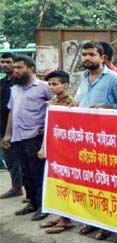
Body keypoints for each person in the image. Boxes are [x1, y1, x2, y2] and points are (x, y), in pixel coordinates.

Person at [74, 41, 117, 240]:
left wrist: (103, 108)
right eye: (84, 54)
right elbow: (79, 102)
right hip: (85, 139)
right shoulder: (83, 78)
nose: (87, 58)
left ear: (102, 58)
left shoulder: (113, 79)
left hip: (106, 141)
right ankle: (91, 221)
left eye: (91, 54)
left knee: (106, 184)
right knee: (89, 184)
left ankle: (107, 224)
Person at [1, 55, 52, 221]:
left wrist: (47, 127)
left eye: (19, 68)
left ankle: (43, 205)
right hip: (18, 136)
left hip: (35, 136)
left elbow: (56, 107)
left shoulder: (44, 87)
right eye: (14, 68)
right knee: (26, 173)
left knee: (38, 172)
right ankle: (32, 202)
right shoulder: (14, 89)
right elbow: (11, 112)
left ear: (31, 68)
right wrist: (8, 134)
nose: (15, 71)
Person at [38, 70, 76, 234]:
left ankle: (67, 219)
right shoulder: (51, 103)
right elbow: (49, 128)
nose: (52, 87)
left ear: (66, 85)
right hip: (54, 146)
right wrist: (43, 146)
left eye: (55, 84)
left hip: (67, 149)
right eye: (50, 84)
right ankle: (60, 215)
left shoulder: (72, 104)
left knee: (66, 183)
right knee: (55, 183)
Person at [0, 52, 24, 200]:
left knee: (20, 159)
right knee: (9, 158)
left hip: (17, 125)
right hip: (2, 125)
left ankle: (20, 188)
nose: (5, 65)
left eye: (8, 62)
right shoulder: (2, 82)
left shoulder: (19, 82)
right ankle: (16, 186)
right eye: (2, 62)